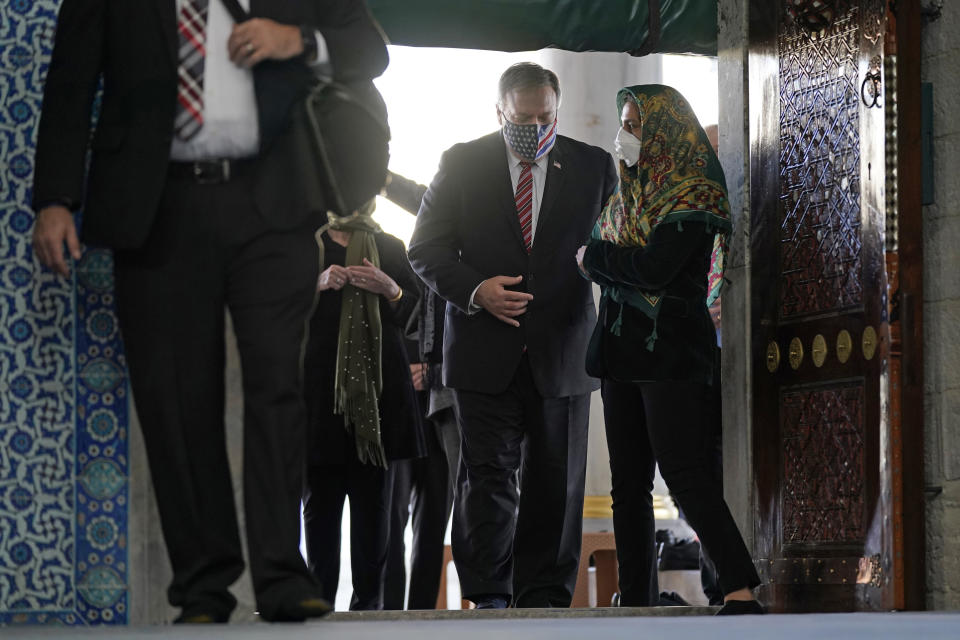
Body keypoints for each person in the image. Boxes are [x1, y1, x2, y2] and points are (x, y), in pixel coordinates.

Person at [30, 0, 388, 623]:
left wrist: (296, 39)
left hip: (274, 202)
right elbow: (70, 82)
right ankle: (203, 584)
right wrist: (56, 199)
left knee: (277, 382)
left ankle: (282, 575)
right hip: (156, 205)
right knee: (174, 397)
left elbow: (368, 50)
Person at [408, 62, 617, 609]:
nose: (535, 125)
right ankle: (489, 596)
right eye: (523, 117)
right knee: (488, 479)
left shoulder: (595, 166)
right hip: (483, 350)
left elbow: (618, 250)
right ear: (499, 111)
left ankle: (545, 597)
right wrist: (477, 290)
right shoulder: (462, 163)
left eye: (545, 116)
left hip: (564, 349)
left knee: (559, 483)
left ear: (558, 108)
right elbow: (423, 250)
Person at [576, 84, 763, 615]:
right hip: (617, 353)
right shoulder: (630, 194)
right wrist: (606, 257)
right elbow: (629, 260)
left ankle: (739, 587)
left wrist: (594, 260)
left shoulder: (693, 193)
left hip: (670, 353)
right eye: (626, 122)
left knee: (683, 472)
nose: (628, 133)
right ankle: (635, 599)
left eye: (637, 123)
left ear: (664, 127)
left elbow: (657, 269)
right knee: (626, 486)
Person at [301, 210, 425, 610]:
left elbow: (418, 318)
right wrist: (315, 284)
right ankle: (318, 608)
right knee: (319, 513)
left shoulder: (389, 247)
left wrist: (392, 290)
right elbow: (273, 308)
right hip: (320, 403)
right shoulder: (307, 245)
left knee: (374, 521)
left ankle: (368, 611)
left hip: (377, 406)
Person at [380, 172, 461, 611]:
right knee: (389, 520)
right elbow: (396, 322)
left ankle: (422, 615)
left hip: (443, 406)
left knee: (433, 525)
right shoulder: (399, 258)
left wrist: (432, 374)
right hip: (402, 409)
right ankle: (390, 613)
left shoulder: (463, 262)